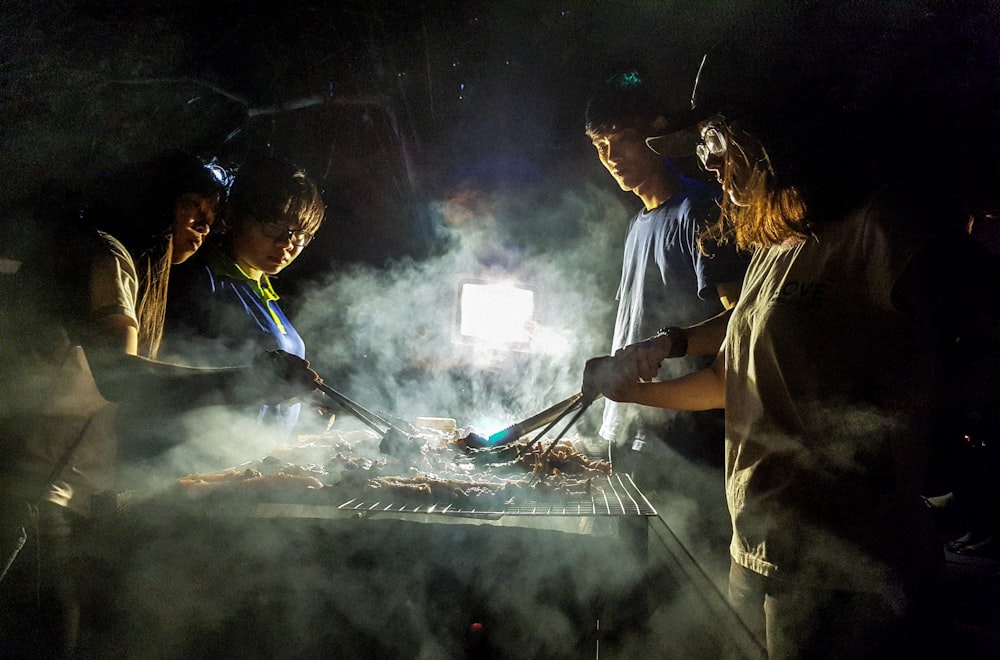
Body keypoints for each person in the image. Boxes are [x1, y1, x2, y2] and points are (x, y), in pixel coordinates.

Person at [583, 16, 1000, 659]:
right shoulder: (779, 245)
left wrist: (904, 411)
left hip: (849, 575)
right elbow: (734, 381)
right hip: (757, 555)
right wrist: (633, 389)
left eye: (718, 136)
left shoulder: (878, 228)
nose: (708, 158)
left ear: (777, 130)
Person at [0, 150, 318, 658]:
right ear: (153, 202)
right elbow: (121, 377)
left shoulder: (140, 268)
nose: (200, 230)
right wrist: (245, 381)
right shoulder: (108, 257)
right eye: (192, 211)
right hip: (22, 475)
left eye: (209, 220)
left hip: (59, 484)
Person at [583, 70, 749, 494]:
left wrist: (663, 345)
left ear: (655, 137)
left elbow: (742, 326)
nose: (611, 156)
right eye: (601, 147)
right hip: (628, 432)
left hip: (685, 445)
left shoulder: (703, 210)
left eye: (622, 139)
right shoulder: (638, 224)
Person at [163, 156, 326, 443]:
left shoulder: (264, 294)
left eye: (301, 235)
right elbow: (160, 385)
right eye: (274, 226)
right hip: (198, 465)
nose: (287, 244)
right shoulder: (200, 281)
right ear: (234, 216)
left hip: (258, 464)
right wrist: (253, 382)